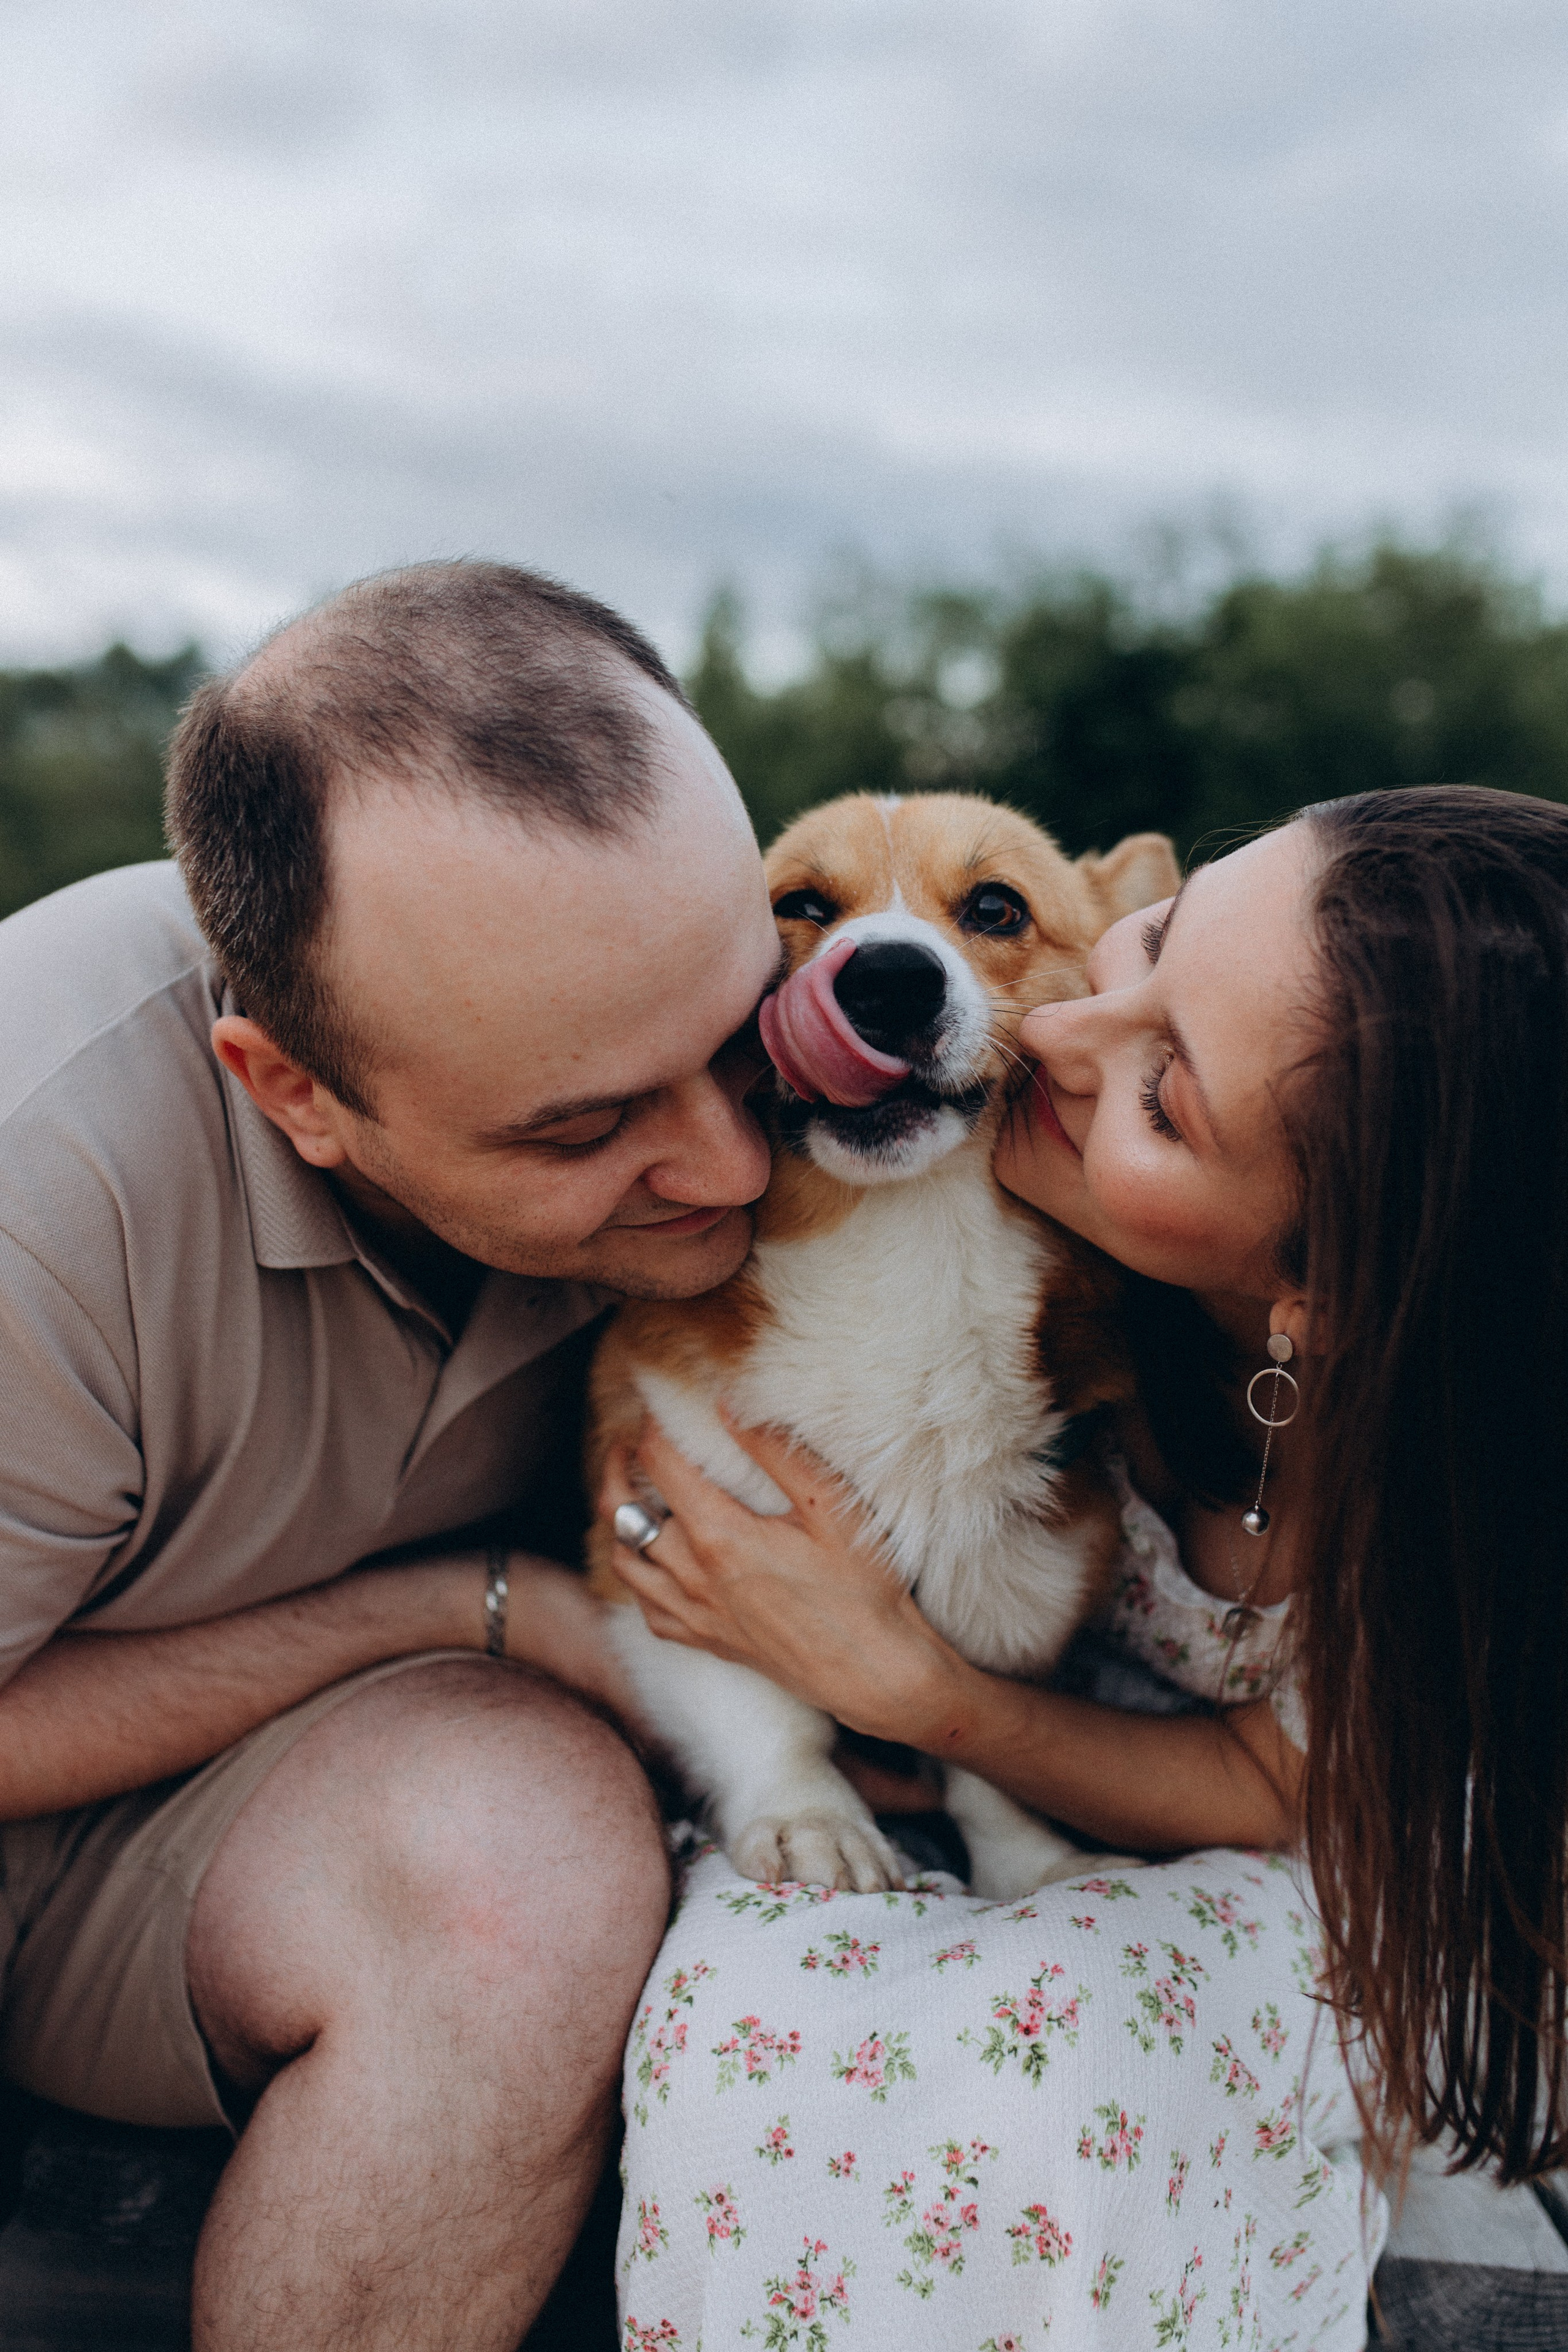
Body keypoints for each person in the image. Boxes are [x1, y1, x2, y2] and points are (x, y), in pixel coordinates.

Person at [601, 786, 1568, 2350]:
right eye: (1150, 946)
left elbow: (1288, 1782)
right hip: (971, 1812)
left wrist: (920, 1696)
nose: (1059, 1040)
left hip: (1305, 1874)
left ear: (1318, 1286)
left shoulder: (1436, 1462)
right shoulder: (1023, 1232)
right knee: (752, 2024)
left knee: (1057, 2076)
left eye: (1163, 1091)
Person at [0, 560, 788, 2348]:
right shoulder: (35, 1169)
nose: (736, 1168)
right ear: (296, 1092)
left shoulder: (777, 1039)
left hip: (260, 1804)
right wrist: (461, 1608)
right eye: (584, 1128)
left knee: (522, 1876)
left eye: (735, 1038)